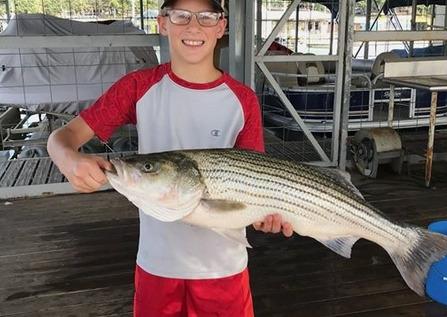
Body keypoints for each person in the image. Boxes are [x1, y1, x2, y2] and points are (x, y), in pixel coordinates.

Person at [47, 0, 293, 316]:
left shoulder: (242, 99)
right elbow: (62, 138)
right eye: (180, 16)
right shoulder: (138, 86)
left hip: (224, 269)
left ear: (222, 26)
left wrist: (268, 213)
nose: (193, 27)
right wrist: (69, 159)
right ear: (162, 23)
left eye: (206, 17)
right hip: (156, 265)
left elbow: (257, 181)